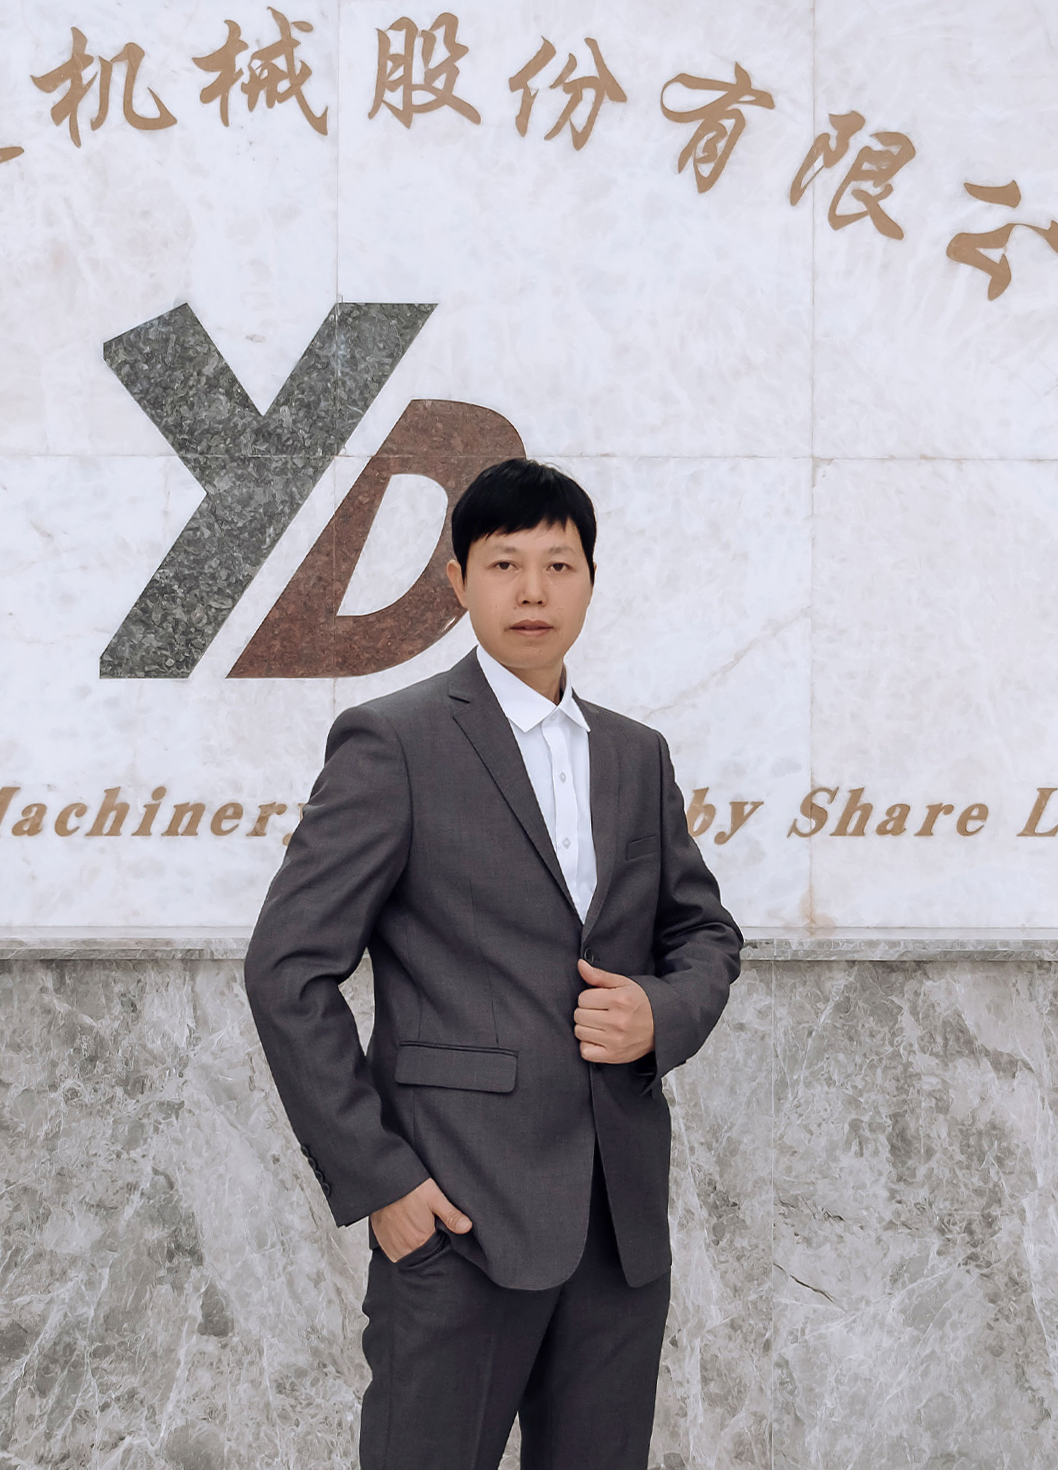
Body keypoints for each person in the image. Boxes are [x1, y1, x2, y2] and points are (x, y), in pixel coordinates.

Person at [245, 458, 744, 1469]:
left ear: (590, 582)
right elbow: (287, 969)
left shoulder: (636, 754)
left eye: (558, 565)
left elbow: (704, 936)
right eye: (505, 564)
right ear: (458, 583)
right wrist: (381, 1179)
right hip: (456, 1214)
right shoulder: (394, 743)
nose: (532, 590)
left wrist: (660, 1014)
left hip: (617, 1227)